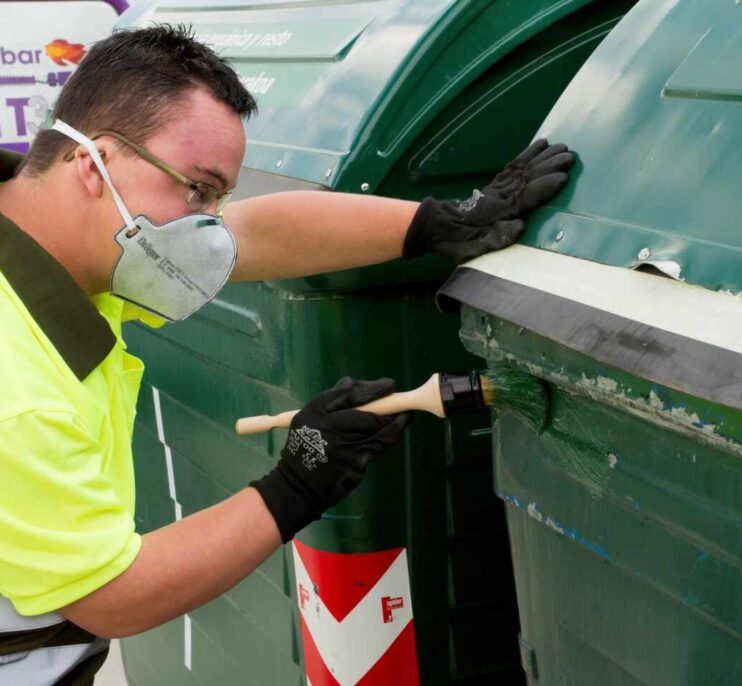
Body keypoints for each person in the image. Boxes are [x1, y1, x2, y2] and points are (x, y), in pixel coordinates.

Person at [0, 25, 574, 684]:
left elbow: (254, 233)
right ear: (91, 163)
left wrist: (444, 221)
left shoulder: (53, 236)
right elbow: (112, 594)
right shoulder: (13, 380)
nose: (211, 225)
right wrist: (299, 482)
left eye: (218, 198)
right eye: (197, 190)